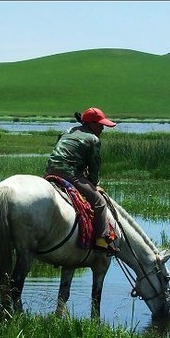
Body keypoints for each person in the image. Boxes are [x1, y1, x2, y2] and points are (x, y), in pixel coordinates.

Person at [45, 107, 117, 253]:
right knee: (99, 202)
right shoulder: (93, 139)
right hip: (69, 174)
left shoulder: (67, 131)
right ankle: (102, 241)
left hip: (50, 171)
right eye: (100, 124)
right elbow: (94, 167)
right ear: (90, 124)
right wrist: (94, 185)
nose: (102, 128)